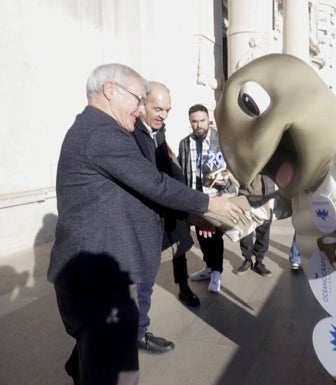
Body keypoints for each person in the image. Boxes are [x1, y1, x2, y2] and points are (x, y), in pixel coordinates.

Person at [48, 63, 242, 385]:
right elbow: (154, 184)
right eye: (138, 100)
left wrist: (191, 215)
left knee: (99, 361)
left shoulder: (103, 129)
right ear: (110, 91)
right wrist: (209, 204)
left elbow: (133, 194)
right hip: (99, 284)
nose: (141, 110)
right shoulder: (102, 132)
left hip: (100, 276)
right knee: (117, 374)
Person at [131, 81, 198, 357]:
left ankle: (182, 286)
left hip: (164, 211)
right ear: (142, 104)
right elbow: (151, 180)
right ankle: (136, 334)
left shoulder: (157, 131)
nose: (163, 115)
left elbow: (168, 169)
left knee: (174, 251)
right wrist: (202, 204)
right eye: (158, 108)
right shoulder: (130, 132)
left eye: (168, 110)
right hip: (142, 218)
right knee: (141, 281)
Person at [179, 104, 238, 293]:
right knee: (202, 235)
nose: (199, 125)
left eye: (202, 120)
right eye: (194, 121)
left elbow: (234, 168)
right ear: (190, 123)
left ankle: (217, 272)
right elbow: (182, 169)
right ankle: (208, 267)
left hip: (217, 198)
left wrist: (227, 183)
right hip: (195, 199)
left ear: (209, 120)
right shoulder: (185, 143)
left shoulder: (221, 140)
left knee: (214, 236)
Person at [235, 174, 275, 277]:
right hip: (244, 195)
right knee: (245, 232)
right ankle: (247, 260)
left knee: (264, 232)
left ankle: (259, 262)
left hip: (266, 196)